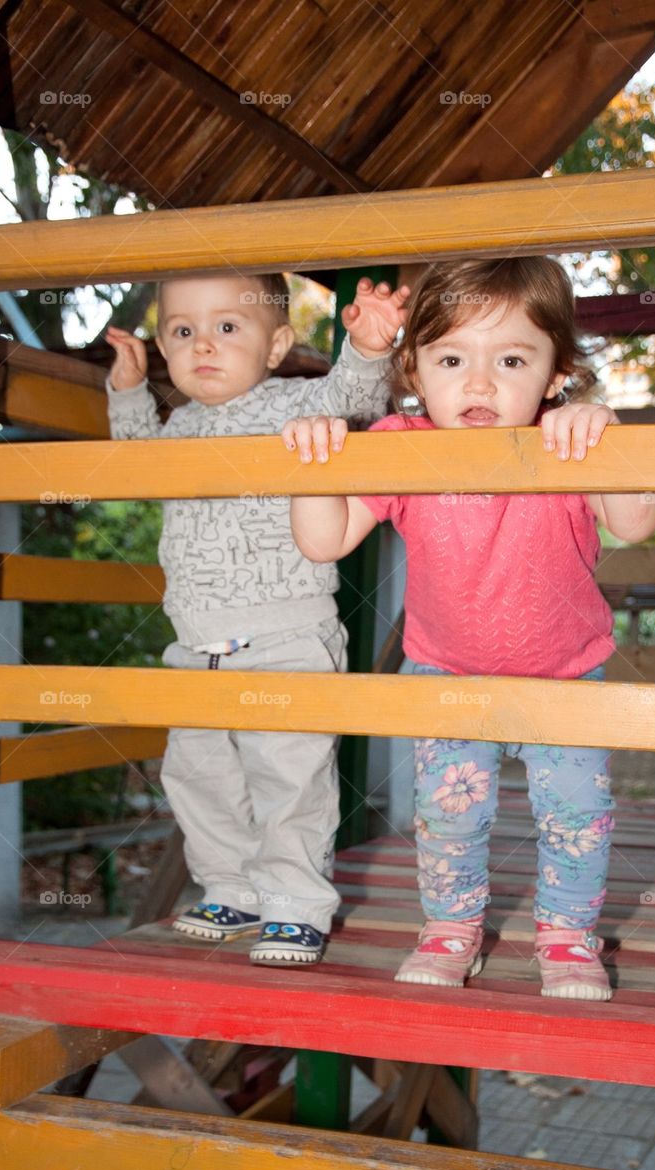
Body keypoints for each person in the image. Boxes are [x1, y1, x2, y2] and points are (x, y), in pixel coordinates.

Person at [283, 257, 655, 999]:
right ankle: (451, 929)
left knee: (578, 817)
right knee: (449, 818)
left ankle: (567, 936)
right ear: (415, 372)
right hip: (448, 675)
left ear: (556, 374)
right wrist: (313, 465)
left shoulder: (566, 442)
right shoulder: (402, 443)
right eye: (452, 359)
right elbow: (323, 541)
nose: (480, 383)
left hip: (566, 676)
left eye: (511, 360)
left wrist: (608, 438)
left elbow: (636, 520)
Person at [106, 271, 408, 965]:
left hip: (287, 636)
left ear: (275, 346)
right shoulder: (179, 427)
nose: (203, 344)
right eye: (183, 332)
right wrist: (127, 389)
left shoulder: (294, 405)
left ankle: (296, 905)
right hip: (194, 644)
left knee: (289, 779)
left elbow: (353, 401)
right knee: (197, 776)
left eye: (227, 327)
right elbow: (134, 462)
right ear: (165, 348)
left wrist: (367, 348)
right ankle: (232, 888)